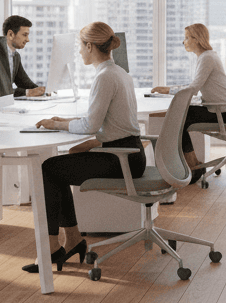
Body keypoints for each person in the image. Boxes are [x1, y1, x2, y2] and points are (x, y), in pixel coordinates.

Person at [29, 22, 143, 273]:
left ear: (90, 46)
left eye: (81, 47)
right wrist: (62, 122)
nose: (79, 52)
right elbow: (111, 125)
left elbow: (91, 125)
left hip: (120, 157)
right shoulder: (119, 72)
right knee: (58, 168)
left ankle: (52, 248)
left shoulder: (105, 77)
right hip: (129, 153)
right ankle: (72, 240)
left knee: (48, 168)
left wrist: (57, 125)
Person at [151, 23, 226, 185]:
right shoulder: (207, 56)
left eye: (186, 38)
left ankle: (193, 167)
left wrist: (167, 90)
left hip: (223, 112)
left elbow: (194, 88)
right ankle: (194, 165)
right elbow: (198, 88)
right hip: (222, 108)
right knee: (180, 116)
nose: (184, 42)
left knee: (177, 120)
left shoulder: (207, 58)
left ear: (196, 39)